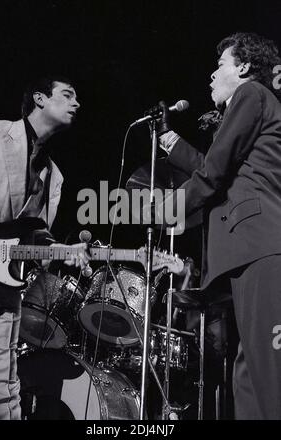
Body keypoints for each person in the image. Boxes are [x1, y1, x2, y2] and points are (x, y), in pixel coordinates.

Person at [154, 32, 281, 419]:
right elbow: (222, 168)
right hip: (251, 251)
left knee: (266, 373)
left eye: (220, 65)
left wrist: (168, 208)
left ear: (243, 68)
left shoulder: (251, 94)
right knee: (247, 374)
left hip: (262, 247)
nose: (211, 75)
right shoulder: (254, 104)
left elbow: (214, 170)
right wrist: (170, 140)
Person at [0, 76, 89, 420]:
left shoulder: (53, 176)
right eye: (67, 95)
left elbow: (33, 235)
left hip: (1, 291)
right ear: (40, 98)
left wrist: (62, 250)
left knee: (2, 394)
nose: (77, 103)